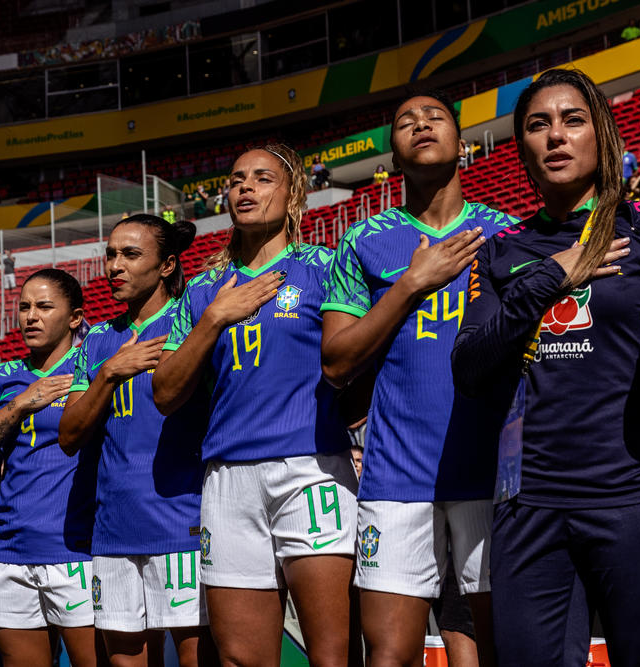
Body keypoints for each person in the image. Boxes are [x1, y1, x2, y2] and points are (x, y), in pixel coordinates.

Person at [452, 68, 640, 667]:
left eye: (573, 120)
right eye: (537, 124)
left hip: (636, 498)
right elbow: (469, 369)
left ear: (599, 134)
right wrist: (554, 275)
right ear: (520, 144)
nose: (555, 136)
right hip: (530, 509)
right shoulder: (502, 250)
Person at [322, 89, 517, 667]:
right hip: (396, 475)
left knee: (498, 647)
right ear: (392, 156)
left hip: (493, 471)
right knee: (390, 655)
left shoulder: (505, 233)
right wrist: (411, 283)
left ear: (464, 143)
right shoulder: (361, 240)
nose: (420, 125)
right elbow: (335, 363)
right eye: (405, 121)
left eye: (435, 117)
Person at [151, 144, 360, 667]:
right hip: (226, 480)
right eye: (237, 178)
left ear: (292, 194)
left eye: (262, 178)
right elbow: (165, 393)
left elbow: (357, 361)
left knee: (331, 657)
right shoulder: (202, 292)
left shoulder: (325, 267)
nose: (244, 187)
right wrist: (215, 319)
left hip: (311, 470)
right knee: (241, 659)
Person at [59, 215, 217, 667]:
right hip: (112, 529)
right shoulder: (96, 343)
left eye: (130, 255)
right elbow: (69, 435)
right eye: (110, 254)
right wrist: (109, 372)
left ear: (167, 265)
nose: (114, 266)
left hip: (182, 520)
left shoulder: (191, 321)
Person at [0, 269, 102, 667]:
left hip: (78, 551)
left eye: (43, 306)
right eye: (23, 307)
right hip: (12, 552)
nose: (30, 317)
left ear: (75, 317)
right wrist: (21, 403)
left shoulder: (93, 365)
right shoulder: (3, 377)